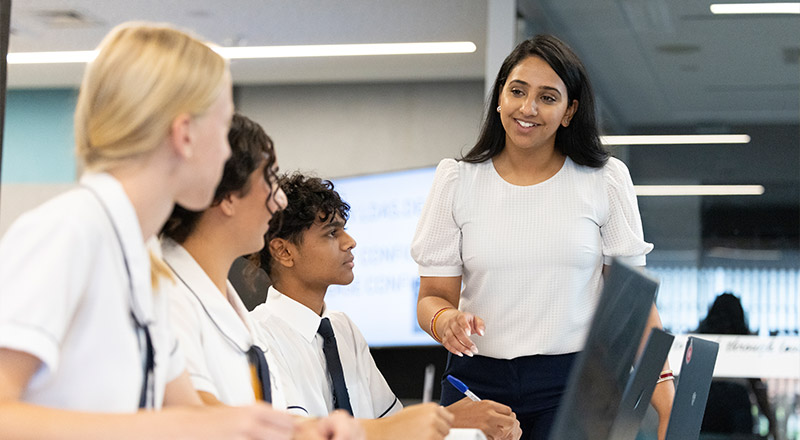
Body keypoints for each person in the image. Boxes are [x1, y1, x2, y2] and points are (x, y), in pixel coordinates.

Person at [0, 22, 294, 439]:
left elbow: (190, 415)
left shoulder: (145, 261)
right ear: (184, 134)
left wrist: (306, 431)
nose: (228, 152)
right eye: (222, 125)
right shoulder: (69, 231)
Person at [411, 34, 674, 440]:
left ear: (569, 111)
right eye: (517, 91)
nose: (528, 108)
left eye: (548, 97)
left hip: (573, 384)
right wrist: (445, 320)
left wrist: (664, 391)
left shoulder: (604, 181)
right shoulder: (456, 180)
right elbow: (431, 297)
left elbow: (632, 306)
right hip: (476, 386)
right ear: (500, 96)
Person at [252, 172, 521, 440]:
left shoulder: (342, 329)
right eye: (332, 232)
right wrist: (448, 420)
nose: (350, 242)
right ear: (284, 251)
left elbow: (393, 427)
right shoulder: (256, 338)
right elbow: (298, 435)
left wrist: (469, 427)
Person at [159, 113, 363, 439]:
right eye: (269, 179)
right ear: (227, 197)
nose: (278, 199)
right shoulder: (167, 297)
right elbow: (195, 416)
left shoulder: (230, 307)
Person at [696, 293, 778, 439]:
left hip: (707, 400)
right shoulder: (743, 341)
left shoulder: (702, 337)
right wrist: (771, 421)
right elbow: (755, 383)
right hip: (737, 401)